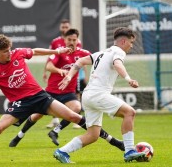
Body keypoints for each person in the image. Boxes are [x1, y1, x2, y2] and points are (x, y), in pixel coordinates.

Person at [0, 34, 87, 164]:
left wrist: (57, 51)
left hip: (39, 96)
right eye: (5, 51)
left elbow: (35, 51)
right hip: (19, 103)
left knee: (73, 115)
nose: (9, 53)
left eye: (9, 49)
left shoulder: (18, 53)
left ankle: (105, 137)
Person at [8, 29, 124, 151]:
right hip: (52, 91)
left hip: (68, 92)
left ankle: (55, 131)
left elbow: (98, 59)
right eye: (69, 40)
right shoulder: (60, 52)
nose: (72, 42)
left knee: (77, 108)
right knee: (37, 116)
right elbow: (48, 66)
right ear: (64, 40)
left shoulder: (82, 53)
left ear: (77, 40)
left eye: (74, 40)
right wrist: (59, 70)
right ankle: (19, 136)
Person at [53, 27, 146, 163]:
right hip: (98, 94)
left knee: (92, 135)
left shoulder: (102, 52)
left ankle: (62, 152)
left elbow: (79, 62)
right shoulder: (119, 52)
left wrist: (69, 76)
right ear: (124, 41)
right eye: (131, 43)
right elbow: (117, 64)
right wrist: (128, 79)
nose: (131, 46)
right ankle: (130, 151)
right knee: (129, 112)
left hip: (88, 96)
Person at [43, 19, 82, 129]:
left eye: (66, 27)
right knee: (52, 98)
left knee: (76, 94)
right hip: (57, 74)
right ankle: (55, 120)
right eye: (63, 27)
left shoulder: (76, 41)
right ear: (60, 28)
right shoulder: (55, 42)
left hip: (73, 74)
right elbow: (50, 57)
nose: (65, 29)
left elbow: (81, 57)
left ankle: (75, 119)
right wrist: (45, 71)